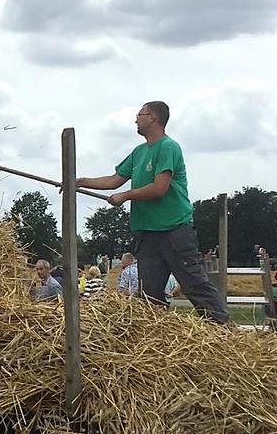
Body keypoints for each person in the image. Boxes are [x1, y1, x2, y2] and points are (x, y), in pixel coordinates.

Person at [77, 101, 227, 323]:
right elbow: (114, 180)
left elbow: (159, 188)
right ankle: (156, 343)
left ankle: (221, 330)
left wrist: (126, 196)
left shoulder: (168, 147)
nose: (135, 119)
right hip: (147, 233)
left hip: (174, 229)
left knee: (194, 284)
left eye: (140, 114)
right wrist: (80, 182)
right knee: (149, 296)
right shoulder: (139, 152)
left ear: (153, 118)